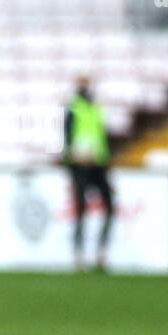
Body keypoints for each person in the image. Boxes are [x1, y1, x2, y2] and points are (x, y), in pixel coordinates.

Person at [62, 76, 114, 271]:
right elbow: (67, 137)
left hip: (99, 164)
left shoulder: (97, 109)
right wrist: (73, 157)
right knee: (81, 209)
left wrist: (105, 158)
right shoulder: (74, 108)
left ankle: (101, 253)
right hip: (80, 165)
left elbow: (102, 135)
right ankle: (79, 255)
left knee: (110, 209)